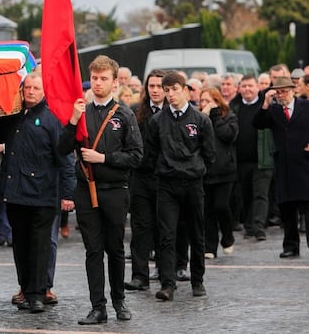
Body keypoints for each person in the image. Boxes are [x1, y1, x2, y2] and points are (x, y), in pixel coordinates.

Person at [59, 55, 142, 325]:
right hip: (85, 189)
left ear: (114, 82)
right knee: (92, 250)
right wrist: (72, 121)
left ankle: (119, 301)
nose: (98, 83)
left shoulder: (125, 114)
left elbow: (136, 156)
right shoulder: (82, 111)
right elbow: (61, 149)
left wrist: (103, 158)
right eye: (94, 78)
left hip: (115, 190)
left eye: (103, 78)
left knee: (115, 249)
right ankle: (98, 306)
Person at [1, 72, 75, 314]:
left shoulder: (52, 118)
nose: (30, 91)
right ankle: (25, 288)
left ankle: (37, 294)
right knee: (20, 245)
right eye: (27, 87)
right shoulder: (13, 116)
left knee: (41, 246)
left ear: (44, 91)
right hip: (15, 194)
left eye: (35, 88)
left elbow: (64, 158)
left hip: (43, 195)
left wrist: (68, 193)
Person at [145, 71, 216, 301]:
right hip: (167, 183)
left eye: (175, 89)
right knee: (166, 235)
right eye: (167, 91)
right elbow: (151, 153)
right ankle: (168, 283)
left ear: (186, 90)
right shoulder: (157, 121)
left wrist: (195, 168)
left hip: (193, 183)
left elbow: (210, 153)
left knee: (196, 232)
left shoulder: (201, 119)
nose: (170, 94)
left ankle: (198, 281)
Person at [253, 76, 309, 259]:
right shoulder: (273, 110)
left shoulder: (308, 107)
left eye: (284, 91)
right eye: (278, 92)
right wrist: (265, 103)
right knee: (287, 209)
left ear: (293, 90)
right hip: (284, 166)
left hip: (306, 165)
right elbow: (258, 123)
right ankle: (291, 246)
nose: (281, 95)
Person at [125, 69, 166, 293]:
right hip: (140, 177)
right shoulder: (135, 112)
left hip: (164, 177)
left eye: (160, 86)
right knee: (140, 228)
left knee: (164, 227)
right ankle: (140, 276)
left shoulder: (172, 112)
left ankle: (164, 269)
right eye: (152, 86)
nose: (156, 90)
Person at [230, 75, 274, 242]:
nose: (247, 89)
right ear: (239, 88)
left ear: (257, 87)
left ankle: (259, 227)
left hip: (262, 158)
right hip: (241, 160)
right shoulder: (234, 106)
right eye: (244, 86)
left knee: (260, 194)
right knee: (245, 194)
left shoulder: (266, 105)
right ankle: (249, 226)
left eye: (250, 86)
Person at [199, 88, 239, 259]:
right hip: (206, 171)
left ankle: (228, 236)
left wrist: (214, 116)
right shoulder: (198, 118)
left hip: (225, 171)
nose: (205, 104)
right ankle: (210, 246)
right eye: (202, 100)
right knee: (207, 211)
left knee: (221, 206)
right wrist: (204, 117)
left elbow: (228, 135)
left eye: (208, 100)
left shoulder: (229, 116)